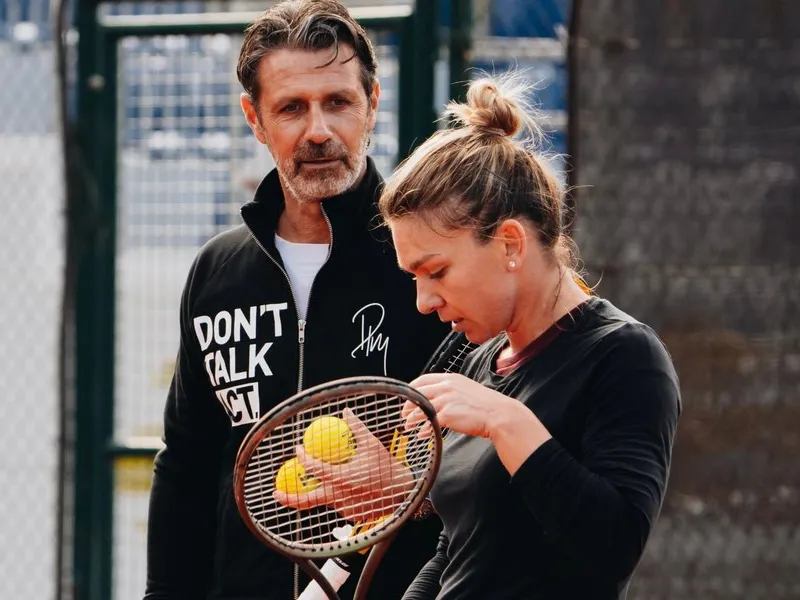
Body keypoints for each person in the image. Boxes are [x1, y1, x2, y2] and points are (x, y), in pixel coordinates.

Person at [143, 1, 450, 599]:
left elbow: (474, 469)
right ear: (255, 120)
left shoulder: (429, 264)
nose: (318, 131)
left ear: (372, 104)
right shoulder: (218, 271)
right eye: (291, 108)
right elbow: (186, 463)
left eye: (338, 102)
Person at [375, 74, 681, 599]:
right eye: (414, 278)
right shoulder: (477, 359)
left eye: (438, 271)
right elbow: (459, 548)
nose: (423, 302)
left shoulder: (625, 356)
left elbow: (612, 549)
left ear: (510, 243)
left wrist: (505, 421)